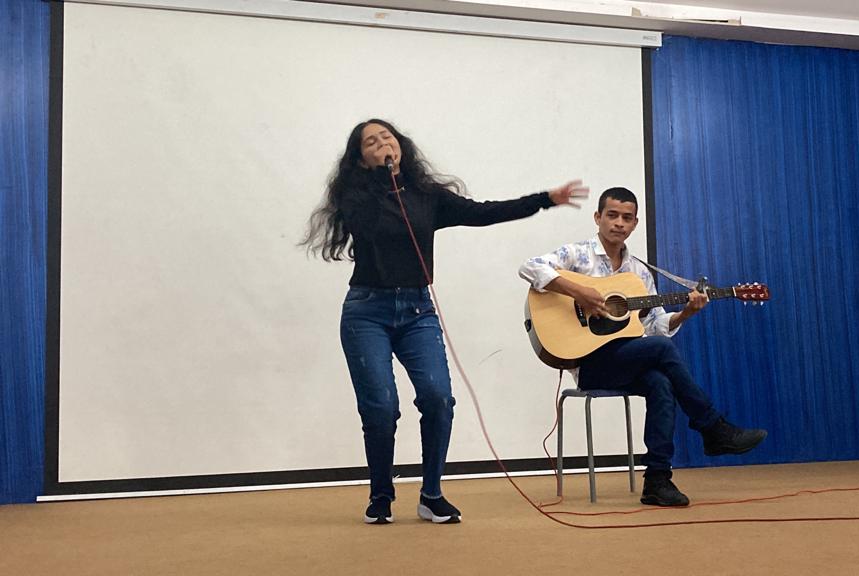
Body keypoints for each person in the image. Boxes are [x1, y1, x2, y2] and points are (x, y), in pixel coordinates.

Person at [302, 119, 588, 525]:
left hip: (418, 312)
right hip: (367, 312)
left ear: (401, 145)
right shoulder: (355, 197)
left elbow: (484, 213)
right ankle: (381, 496)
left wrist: (544, 199)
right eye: (372, 143)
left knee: (438, 399)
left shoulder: (426, 196)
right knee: (381, 408)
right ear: (361, 160)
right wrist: (383, 180)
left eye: (388, 137)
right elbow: (367, 223)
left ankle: (431, 495)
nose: (383, 144)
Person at [518, 186, 766, 507]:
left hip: (624, 361)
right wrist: (579, 292)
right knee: (661, 350)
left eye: (626, 218)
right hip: (589, 364)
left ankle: (657, 480)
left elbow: (657, 325)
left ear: (635, 224)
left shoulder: (638, 273)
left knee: (661, 382)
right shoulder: (577, 255)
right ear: (598, 217)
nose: (619, 223)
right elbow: (529, 267)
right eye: (612, 215)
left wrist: (686, 313)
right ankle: (712, 427)